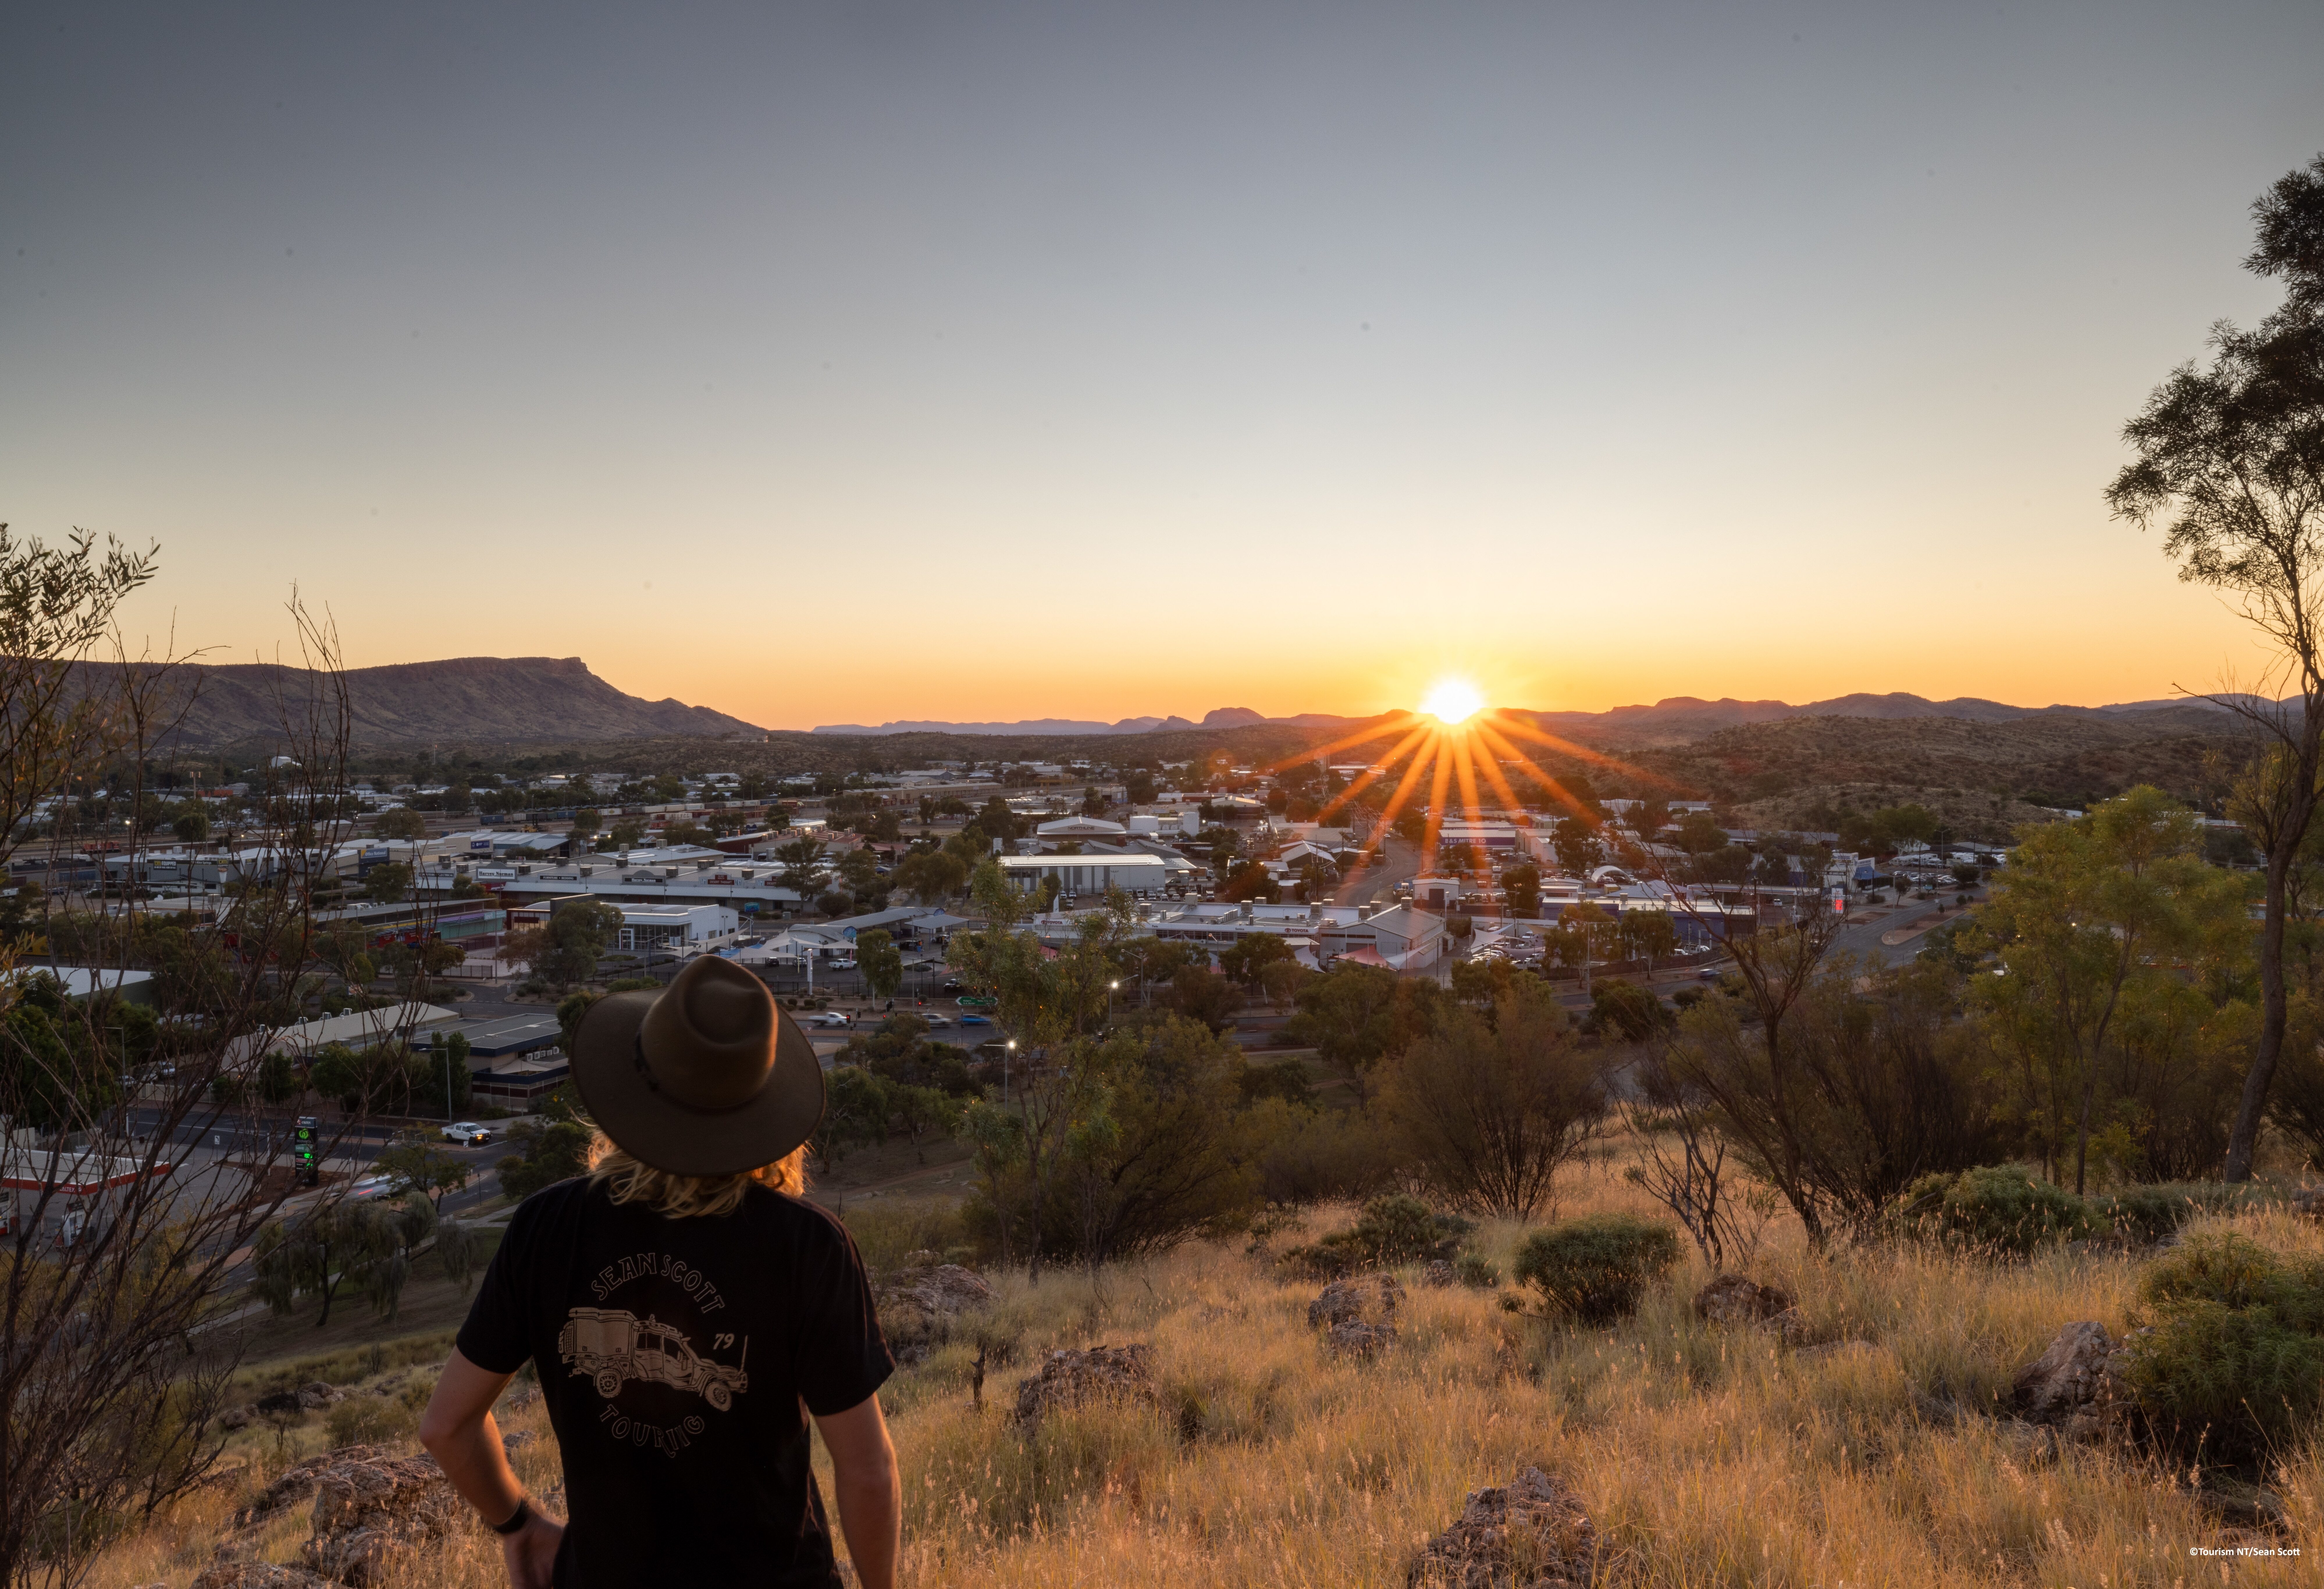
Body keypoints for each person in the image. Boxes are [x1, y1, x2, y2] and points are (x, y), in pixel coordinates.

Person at [421, 956, 900, 1589]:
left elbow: (447, 1425)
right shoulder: (805, 1246)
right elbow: (866, 1469)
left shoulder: (547, 1226)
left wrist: (519, 1524)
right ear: (758, 1112)